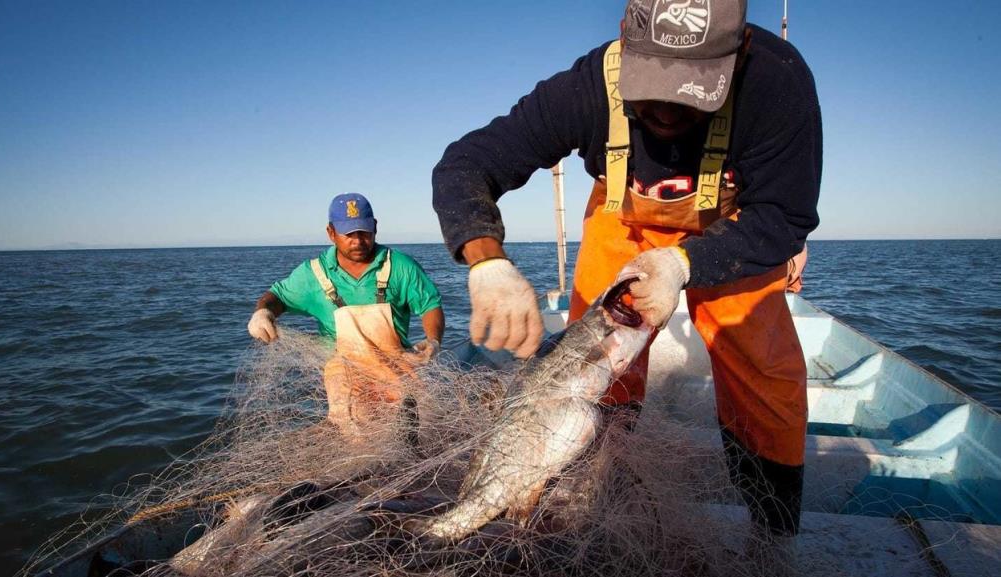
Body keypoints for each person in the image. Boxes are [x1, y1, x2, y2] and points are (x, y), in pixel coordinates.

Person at [431, 0, 820, 568]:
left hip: (732, 230)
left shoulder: (777, 82)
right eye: (652, 80)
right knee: (595, 367)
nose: (665, 109)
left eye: (692, 90)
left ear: (738, 57)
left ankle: (774, 535)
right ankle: (592, 488)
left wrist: (682, 265)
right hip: (624, 219)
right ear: (625, 41)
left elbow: (784, 214)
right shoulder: (586, 86)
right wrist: (485, 261)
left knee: (765, 370)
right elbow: (465, 165)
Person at [248, 193, 445, 429]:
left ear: (375, 228)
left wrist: (433, 340)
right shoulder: (313, 274)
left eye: (364, 232)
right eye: (348, 233)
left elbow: (430, 306)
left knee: (418, 422)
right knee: (356, 427)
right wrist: (263, 313)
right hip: (345, 372)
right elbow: (276, 297)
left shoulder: (400, 266)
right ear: (331, 233)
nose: (358, 240)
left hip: (396, 364)